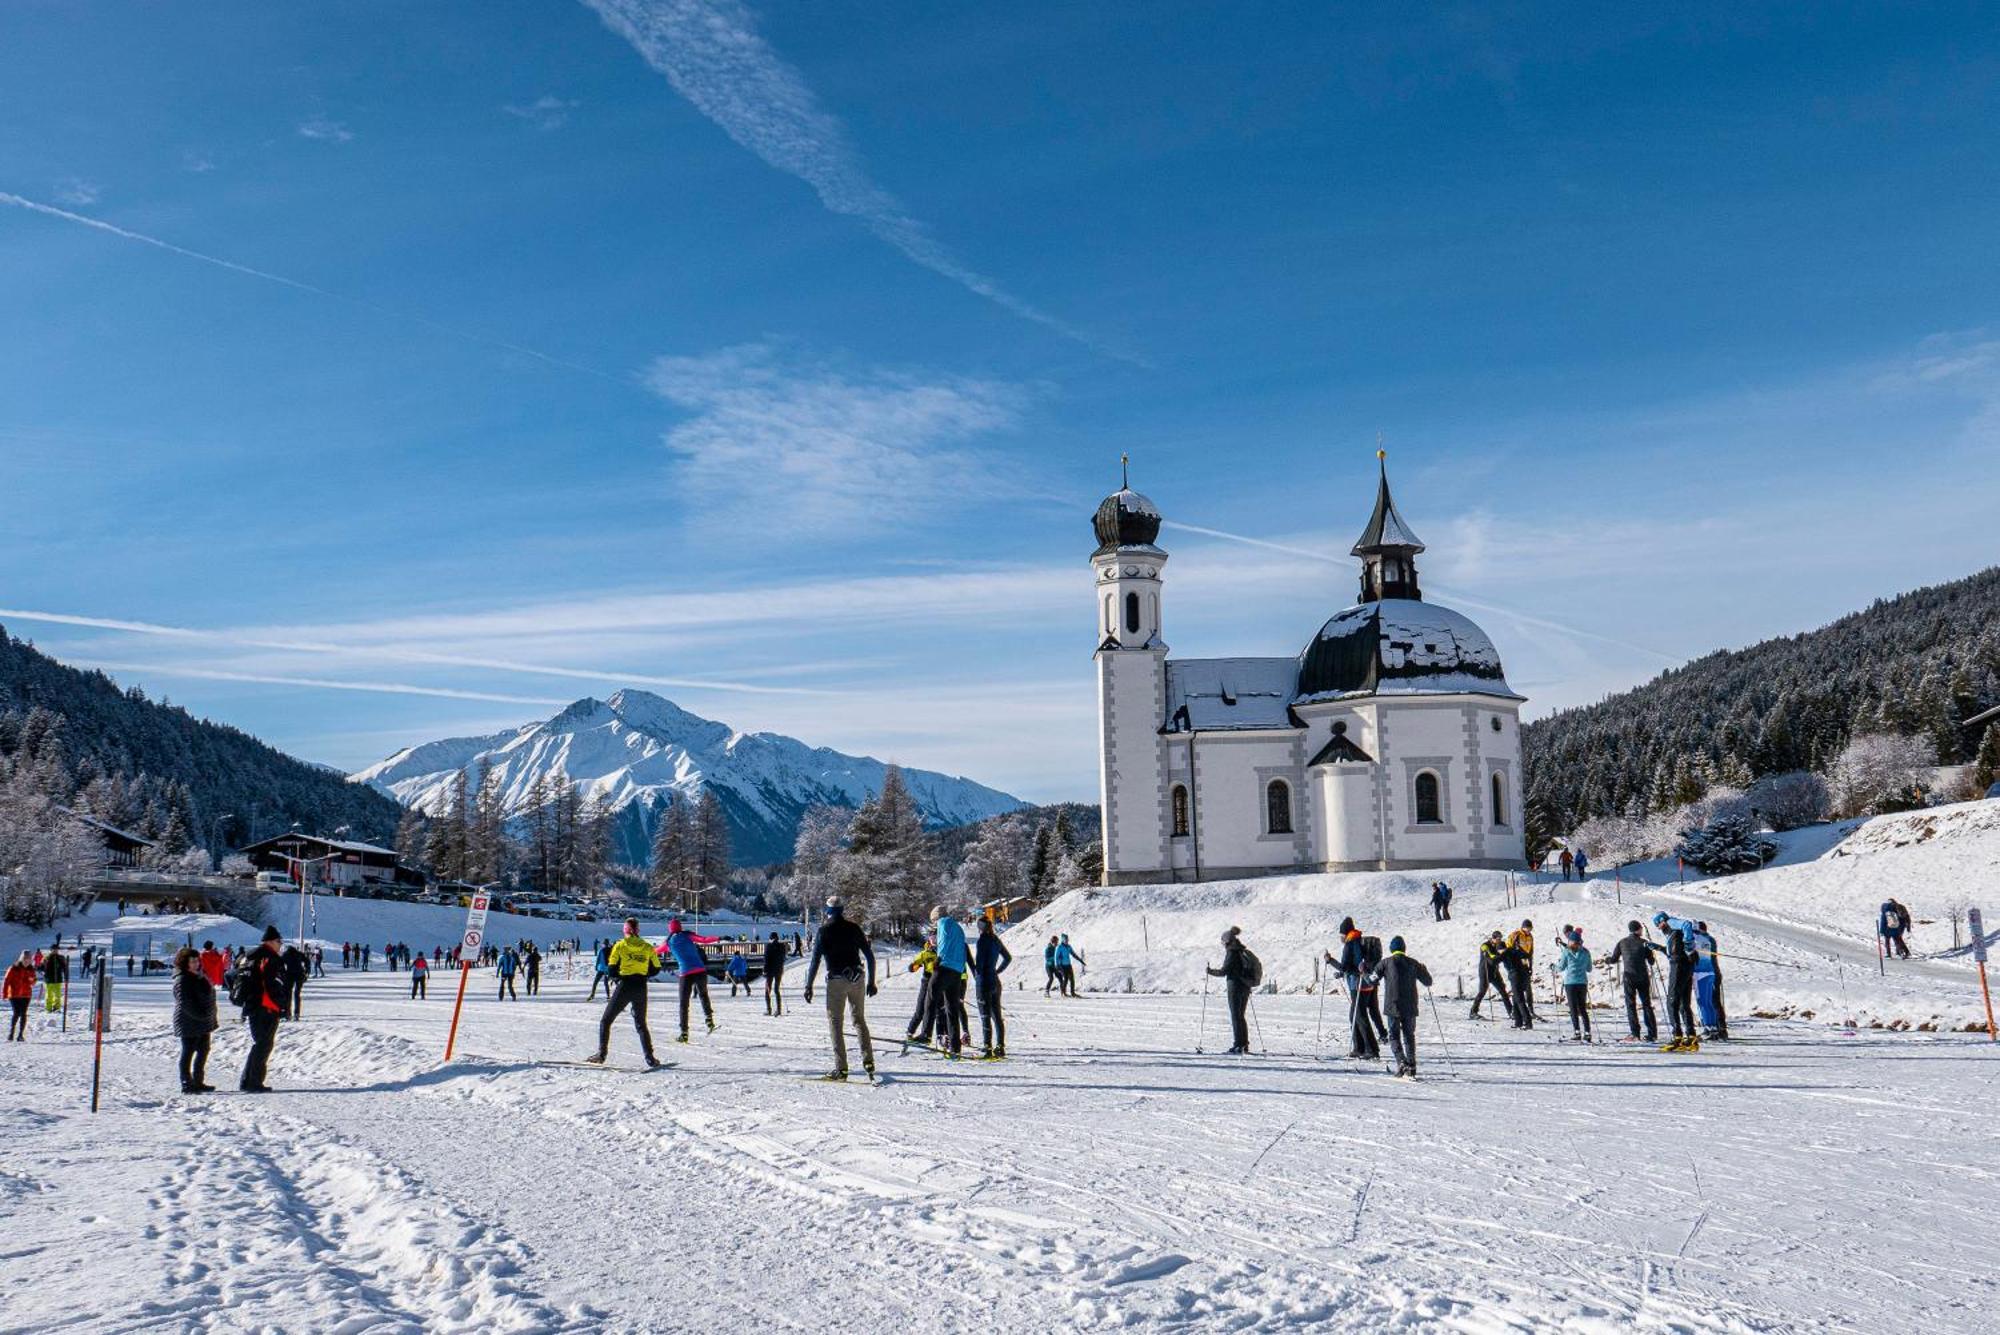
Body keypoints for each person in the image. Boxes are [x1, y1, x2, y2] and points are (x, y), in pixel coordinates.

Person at [801, 895, 878, 1080]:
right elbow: (869, 956)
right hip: (857, 978)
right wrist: (872, 982)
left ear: (827, 911)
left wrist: (809, 986)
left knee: (835, 1022)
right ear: (842, 910)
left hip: (836, 980)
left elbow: (815, 961)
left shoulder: (823, 931)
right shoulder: (854, 928)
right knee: (859, 1019)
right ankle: (868, 1061)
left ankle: (841, 1068)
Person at [586, 918, 662, 1067]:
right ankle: (650, 1058)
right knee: (641, 1024)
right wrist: (643, 973)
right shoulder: (647, 947)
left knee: (606, 1021)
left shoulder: (620, 946)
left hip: (625, 985)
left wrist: (619, 976)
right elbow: (656, 968)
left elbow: (611, 969)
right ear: (638, 930)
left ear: (625, 930)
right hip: (641, 986)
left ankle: (601, 1054)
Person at [1368, 936, 1433, 1077]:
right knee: (1409, 1036)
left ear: (1391, 949)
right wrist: (1424, 970)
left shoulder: (1385, 963)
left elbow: (1371, 980)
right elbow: (1428, 982)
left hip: (1393, 1006)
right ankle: (1412, 1065)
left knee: (1394, 1035)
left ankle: (1401, 1061)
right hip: (1410, 1006)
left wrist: (1363, 971)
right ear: (1404, 948)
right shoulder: (1413, 963)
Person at [238, 926, 289, 1092]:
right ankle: (254, 1082)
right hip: (265, 1006)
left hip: (252, 1005)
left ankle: (247, 1080)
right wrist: (279, 1006)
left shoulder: (251, 955)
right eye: (278, 941)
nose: (280, 944)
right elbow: (271, 985)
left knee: (259, 1043)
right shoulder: (269, 957)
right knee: (264, 1045)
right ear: (269, 942)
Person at [1600, 920, 1662, 1042]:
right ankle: (1652, 1033)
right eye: (1641, 929)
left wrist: (1607, 960)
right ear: (1638, 929)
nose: (1642, 931)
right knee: (1646, 1004)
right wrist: (1651, 953)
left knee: (1631, 1004)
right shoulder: (1644, 943)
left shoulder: (1622, 942)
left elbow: (1613, 959)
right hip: (1643, 976)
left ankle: (1635, 1033)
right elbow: (1651, 962)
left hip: (1629, 976)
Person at [664, 918, 720, 1042]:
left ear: (670, 929)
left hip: (685, 973)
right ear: (680, 927)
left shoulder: (668, 942)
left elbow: (656, 951)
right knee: (703, 995)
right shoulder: (688, 935)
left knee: (684, 1004)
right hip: (700, 970)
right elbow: (704, 940)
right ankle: (709, 1020)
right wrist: (719, 938)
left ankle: (684, 1033)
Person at [172, 947, 218, 1094]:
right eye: (192, 961)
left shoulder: (200, 976)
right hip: (188, 1021)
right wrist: (202, 1015)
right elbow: (185, 1003)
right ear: (185, 963)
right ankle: (186, 1082)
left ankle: (198, 1080)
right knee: (188, 1051)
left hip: (204, 1020)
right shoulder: (182, 979)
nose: (196, 964)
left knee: (203, 1050)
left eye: (197, 961)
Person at [1652, 913, 1700, 1052]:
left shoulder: (1671, 922)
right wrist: (1659, 948)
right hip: (1685, 964)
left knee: (1671, 1001)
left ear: (1662, 921)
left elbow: (1686, 924)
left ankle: (1677, 1037)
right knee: (1683, 1002)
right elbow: (1672, 951)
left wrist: (1689, 946)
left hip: (1678, 965)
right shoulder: (1672, 933)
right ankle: (1691, 1037)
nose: (1659, 928)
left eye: (1658, 924)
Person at [1207, 926, 1257, 1055]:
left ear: (1227, 941)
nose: (1223, 945)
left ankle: (1238, 1045)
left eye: (1223, 942)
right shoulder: (1241, 950)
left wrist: (1210, 971)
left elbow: (1224, 971)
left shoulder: (1232, 952)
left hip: (1235, 987)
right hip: (1245, 986)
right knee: (1241, 1016)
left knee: (1236, 1016)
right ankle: (1244, 1045)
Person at [930, 907, 971, 1056]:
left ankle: (930, 1034)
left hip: (952, 974)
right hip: (957, 975)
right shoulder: (956, 931)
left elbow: (944, 943)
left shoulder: (945, 925)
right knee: (950, 1009)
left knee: (945, 1004)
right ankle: (951, 1042)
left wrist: (939, 959)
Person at [973, 917, 1012, 1058]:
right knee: (997, 1016)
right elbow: (1008, 958)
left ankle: (987, 1048)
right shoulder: (996, 939)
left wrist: (976, 974)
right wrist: (997, 971)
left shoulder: (982, 940)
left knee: (985, 1016)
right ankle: (1000, 1047)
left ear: (980, 928)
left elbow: (979, 964)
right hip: (995, 981)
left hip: (984, 982)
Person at [1557, 929, 1593, 1041]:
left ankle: (1577, 1032)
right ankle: (1587, 1032)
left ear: (1571, 941)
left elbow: (1561, 967)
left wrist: (1553, 967)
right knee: (1582, 1008)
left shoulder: (1566, 952)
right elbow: (1589, 969)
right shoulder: (1586, 952)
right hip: (1582, 983)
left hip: (1570, 983)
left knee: (1573, 1008)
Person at [1691, 921, 1725, 1039]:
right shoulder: (1707, 939)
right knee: (1710, 1002)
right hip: (1711, 972)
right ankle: (1714, 1027)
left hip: (1699, 974)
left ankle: (1708, 1028)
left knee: (1702, 1003)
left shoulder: (1693, 939)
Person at [1470, 931, 1512, 1020]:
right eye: (1498, 939)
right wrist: (1501, 954)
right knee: (1482, 992)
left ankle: (1511, 1012)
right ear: (1493, 938)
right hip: (1485, 971)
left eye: (1500, 939)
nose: (1499, 941)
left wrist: (1503, 953)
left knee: (1503, 991)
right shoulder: (1485, 946)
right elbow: (1492, 958)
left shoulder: (1499, 945)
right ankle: (1473, 1012)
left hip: (1494, 972)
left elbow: (1503, 955)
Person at [1502, 920, 1536, 1029]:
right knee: (1517, 996)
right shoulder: (1515, 935)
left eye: (1530, 928)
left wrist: (1530, 966)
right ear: (1523, 927)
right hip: (1516, 965)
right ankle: (1519, 1021)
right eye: (1528, 928)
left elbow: (1530, 952)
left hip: (1523, 966)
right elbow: (1509, 948)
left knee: (1518, 995)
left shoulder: (1530, 937)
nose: (1529, 930)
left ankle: (1522, 1020)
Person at [905, 935, 939, 1041]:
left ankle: (940, 1036)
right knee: (920, 1008)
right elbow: (912, 966)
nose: (934, 941)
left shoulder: (942, 951)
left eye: (936, 938)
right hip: (927, 981)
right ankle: (910, 1031)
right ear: (929, 940)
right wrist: (914, 966)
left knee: (937, 1010)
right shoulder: (924, 953)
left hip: (939, 981)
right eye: (932, 938)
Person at [4, 953, 34, 1040]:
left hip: (26, 994)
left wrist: (32, 980)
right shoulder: (14, 968)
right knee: (16, 1013)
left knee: (23, 1013)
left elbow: (33, 981)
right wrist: (5, 993)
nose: (26, 961)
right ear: (21, 959)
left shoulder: (31, 969)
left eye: (28, 959)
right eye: (25, 959)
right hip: (14, 994)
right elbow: (7, 980)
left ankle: (20, 1034)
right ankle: (11, 1033)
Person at [281, 941, 309, 1020]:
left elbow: (280, 964)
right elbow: (307, 961)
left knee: (288, 994)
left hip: (289, 975)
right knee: (297, 994)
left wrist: (283, 973)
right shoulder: (299, 954)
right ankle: (297, 1013)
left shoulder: (286, 955)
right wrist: (306, 971)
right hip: (299, 975)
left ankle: (287, 1013)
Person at [763, 932, 787, 1016]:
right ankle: (779, 1009)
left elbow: (766, 960)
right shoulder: (782, 946)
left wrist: (764, 970)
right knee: (777, 990)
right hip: (779, 970)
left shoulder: (768, 946)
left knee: (767, 990)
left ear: (771, 938)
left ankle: (769, 1009)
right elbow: (783, 958)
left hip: (770, 971)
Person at [40, 946, 67, 1014]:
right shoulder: (47, 958)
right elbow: (41, 967)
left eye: (56, 949)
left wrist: (66, 976)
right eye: (54, 949)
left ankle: (56, 1007)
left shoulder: (61, 958)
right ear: (51, 950)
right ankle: (48, 1008)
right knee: (49, 994)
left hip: (58, 979)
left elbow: (64, 968)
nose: (55, 951)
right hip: (49, 979)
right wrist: (41, 969)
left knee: (58, 995)